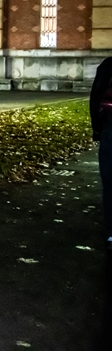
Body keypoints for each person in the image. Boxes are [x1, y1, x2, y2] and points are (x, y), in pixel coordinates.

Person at [89, 57, 112, 251]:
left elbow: (96, 98)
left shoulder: (108, 67)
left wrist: (97, 128)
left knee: (110, 182)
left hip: (110, 129)